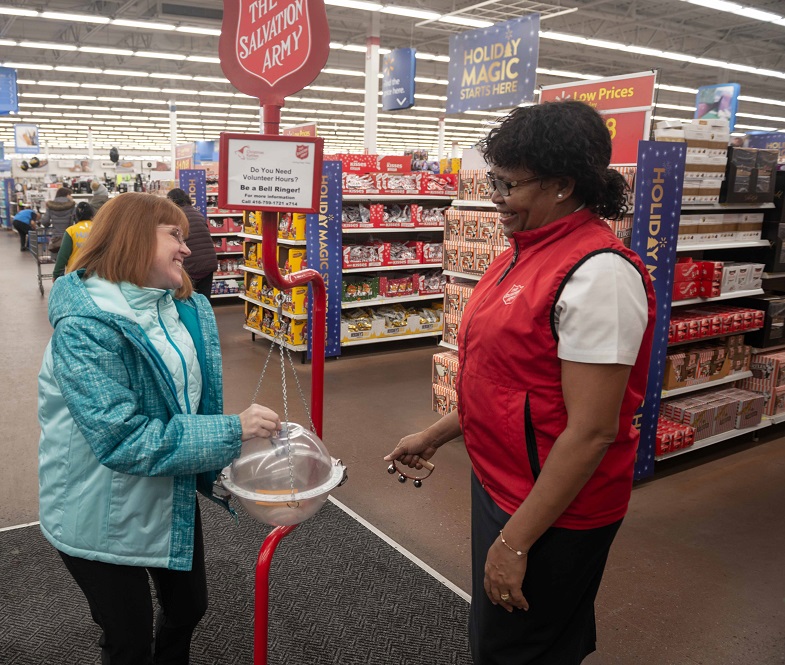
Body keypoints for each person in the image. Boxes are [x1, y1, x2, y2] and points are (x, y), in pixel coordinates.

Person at [385, 100, 656, 664]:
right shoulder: (521, 253)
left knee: (517, 649)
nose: (496, 197)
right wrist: (439, 433)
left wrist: (514, 542)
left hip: (553, 508)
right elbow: (511, 381)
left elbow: (591, 432)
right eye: (495, 178)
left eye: (509, 183)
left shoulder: (599, 274)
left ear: (562, 184)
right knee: (523, 638)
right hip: (506, 483)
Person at [38, 192, 281, 664]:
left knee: (189, 607)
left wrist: (216, 467)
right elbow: (122, 438)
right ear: (132, 236)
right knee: (128, 639)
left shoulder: (181, 308)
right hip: (97, 511)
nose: (188, 249)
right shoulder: (84, 328)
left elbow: (191, 402)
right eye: (175, 235)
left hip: (167, 491)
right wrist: (232, 432)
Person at [166, 188, 218, 300]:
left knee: (187, 300)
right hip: (208, 263)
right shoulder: (198, 213)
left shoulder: (176, 216)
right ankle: (206, 317)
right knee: (204, 301)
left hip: (191, 266)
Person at [52, 201, 95, 280]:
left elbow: (63, 255)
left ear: (76, 216)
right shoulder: (99, 228)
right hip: (95, 273)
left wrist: (56, 274)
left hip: (75, 273)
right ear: (92, 215)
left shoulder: (71, 231)